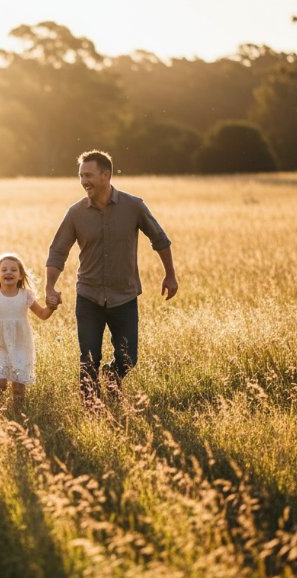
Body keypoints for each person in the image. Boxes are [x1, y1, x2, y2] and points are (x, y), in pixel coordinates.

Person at [45, 150, 178, 405]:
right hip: (88, 297)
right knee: (88, 358)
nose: (84, 181)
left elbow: (159, 239)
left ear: (106, 175)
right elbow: (58, 251)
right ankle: (91, 409)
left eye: (89, 175)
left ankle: (111, 376)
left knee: (129, 358)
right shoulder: (75, 212)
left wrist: (170, 275)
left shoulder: (134, 206)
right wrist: (50, 286)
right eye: (81, 175)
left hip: (124, 296)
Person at [0, 253, 56, 408]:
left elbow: (42, 315)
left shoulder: (26, 295)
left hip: (20, 344)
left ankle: (17, 415)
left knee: (18, 386)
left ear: (21, 275)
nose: (9, 272)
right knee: (0, 383)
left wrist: (51, 307)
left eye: (14, 270)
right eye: (4, 270)